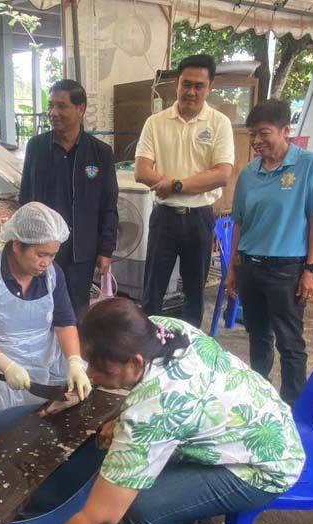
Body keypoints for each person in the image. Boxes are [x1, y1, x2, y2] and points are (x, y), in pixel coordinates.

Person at [0, 297, 305, 524]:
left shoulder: (153, 412)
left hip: (264, 466)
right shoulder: (163, 330)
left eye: (102, 371)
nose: (93, 377)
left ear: (136, 362)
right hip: (260, 423)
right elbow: (161, 394)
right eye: (88, 364)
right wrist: (116, 412)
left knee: (144, 512)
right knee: (134, 475)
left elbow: (99, 518)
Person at [225, 100, 313, 406]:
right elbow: (239, 224)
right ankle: (261, 397)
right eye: (253, 134)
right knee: (258, 336)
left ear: (286, 130)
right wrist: (233, 267)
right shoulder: (248, 173)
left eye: (264, 133)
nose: (257, 141)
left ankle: (295, 406)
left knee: (290, 341)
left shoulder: (308, 165)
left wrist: (312, 269)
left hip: (287, 269)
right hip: (250, 267)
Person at [0, 203, 91, 422]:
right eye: (41, 254)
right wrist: (6, 365)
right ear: (17, 246)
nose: (46, 263)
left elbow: (64, 322)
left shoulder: (52, 274)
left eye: (53, 255)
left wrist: (74, 361)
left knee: (69, 412)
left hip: (42, 358)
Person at [135, 54, 234, 327]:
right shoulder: (155, 122)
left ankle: (189, 351)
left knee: (194, 293)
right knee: (152, 291)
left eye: (199, 86)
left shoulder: (219, 123)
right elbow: (142, 171)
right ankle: (147, 350)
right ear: (176, 84)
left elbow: (222, 174)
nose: (191, 91)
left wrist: (176, 185)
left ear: (209, 88)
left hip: (199, 218)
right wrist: (173, 186)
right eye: (186, 84)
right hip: (164, 217)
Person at [19, 79, 119, 317]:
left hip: (80, 252)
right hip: (40, 249)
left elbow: (108, 205)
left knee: (74, 314)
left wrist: (106, 250)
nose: (53, 113)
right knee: (38, 311)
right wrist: (23, 245)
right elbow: (25, 199)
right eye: (51, 105)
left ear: (81, 109)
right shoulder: (37, 147)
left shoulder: (100, 153)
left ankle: (72, 355)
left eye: (61, 106)